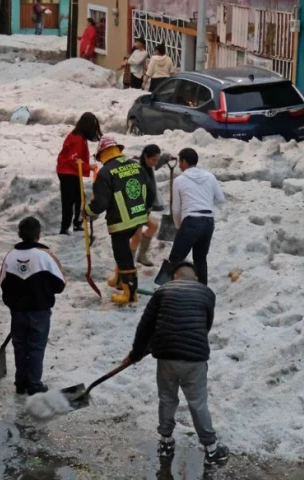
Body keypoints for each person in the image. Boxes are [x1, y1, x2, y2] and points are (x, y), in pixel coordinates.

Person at [123, 262, 229, 466]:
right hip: (195, 359)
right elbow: (204, 325)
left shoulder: (162, 292)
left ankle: (165, 442)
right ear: (195, 278)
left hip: (166, 355)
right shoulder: (207, 293)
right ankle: (212, 450)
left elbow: (146, 326)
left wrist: (136, 353)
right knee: (197, 402)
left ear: (174, 277)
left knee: (167, 398)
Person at [84, 137, 156, 304]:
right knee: (121, 253)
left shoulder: (105, 172)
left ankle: (130, 294)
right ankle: (118, 279)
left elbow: (100, 203)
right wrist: (145, 211)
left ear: (102, 154)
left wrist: (87, 211)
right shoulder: (136, 165)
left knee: (123, 255)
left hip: (120, 222)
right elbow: (151, 191)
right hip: (138, 217)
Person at [0, 217, 65, 396]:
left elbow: (3, 283)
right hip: (39, 312)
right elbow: (60, 284)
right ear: (38, 235)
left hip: (18, 313)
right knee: (36, 347)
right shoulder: (45, 257)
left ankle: (20, 383)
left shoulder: (10, 257)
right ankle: (34, 385)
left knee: (20, 346)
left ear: (19, 234)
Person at [166, 148, 225, 286]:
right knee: (200, 259)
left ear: (184, 162)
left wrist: (178, 226)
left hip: (191, 221)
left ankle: (170, 291)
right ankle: (202, 291)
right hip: (208, 221)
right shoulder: (210, 176)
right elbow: (221, 199)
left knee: (175, 258)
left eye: (180, 161)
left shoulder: (179, 180)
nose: (179, 165)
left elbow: (176, 209)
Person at [56, 112, 102, 235]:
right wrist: (88, 167)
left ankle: (76, 222)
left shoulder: (78, 137)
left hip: (69, 171)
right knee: (69, 201)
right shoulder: (78, 139)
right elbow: (74, 159)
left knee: (78, 198)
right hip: (67, 172)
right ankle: (65, 227)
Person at [131, 145, 165, 266]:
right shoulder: (138, 170)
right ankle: (128, 263)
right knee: (137, 237)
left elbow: (159, 162)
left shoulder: (149, 166)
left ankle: (141, 255)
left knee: (154, 225)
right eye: (153, 160)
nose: (155, 163)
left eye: (157, 160)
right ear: (146, 156)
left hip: (145, 210)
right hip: (136, 210)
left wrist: (166, 158)